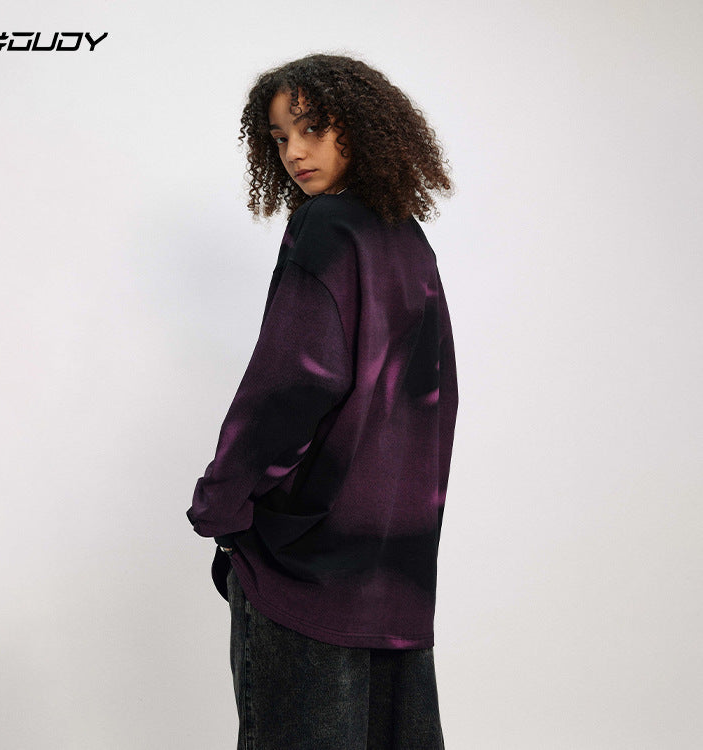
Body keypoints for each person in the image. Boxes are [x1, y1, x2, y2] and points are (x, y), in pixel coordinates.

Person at [186, 52, 458, 749]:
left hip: (305, 563)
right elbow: (432, 400)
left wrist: (222, 502)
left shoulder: (326, 227)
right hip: (394, 565)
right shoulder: (405, 236)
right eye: (279, 137)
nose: (294, 153)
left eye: (312, 128)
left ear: (361, 126)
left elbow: (293, 384)